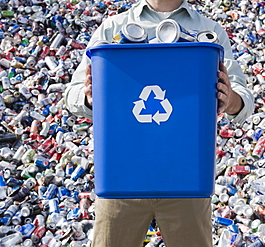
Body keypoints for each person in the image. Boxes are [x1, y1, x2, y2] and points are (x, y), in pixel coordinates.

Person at [64, 0, 254, 246]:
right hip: (122, 177)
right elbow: (73, 95)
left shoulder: (209, 31)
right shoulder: (114, 28)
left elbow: (242, 100)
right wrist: (91, 97)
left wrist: (230, 100)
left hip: (186, 178)